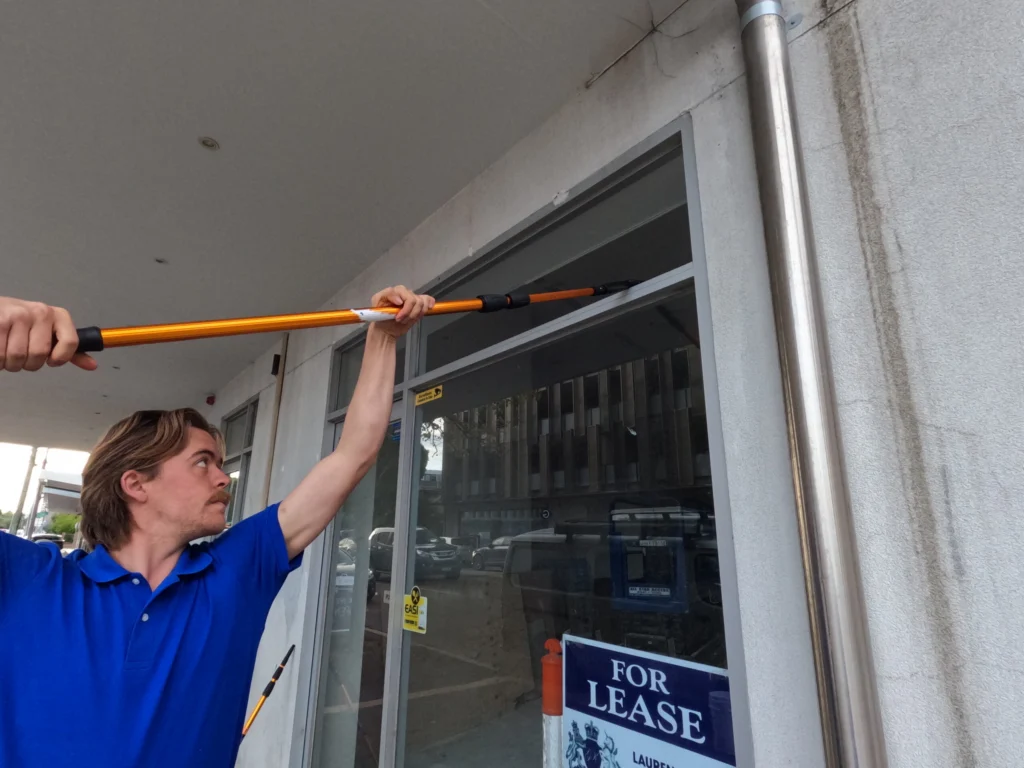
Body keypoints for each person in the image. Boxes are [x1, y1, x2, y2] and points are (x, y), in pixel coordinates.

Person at [0, 286, 435, 767]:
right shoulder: (28, 579)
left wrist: (382, 339)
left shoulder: (233, 572)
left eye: (221, 463)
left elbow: (352, 454)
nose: (222, 477)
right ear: (135, 483)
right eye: (202, 462)